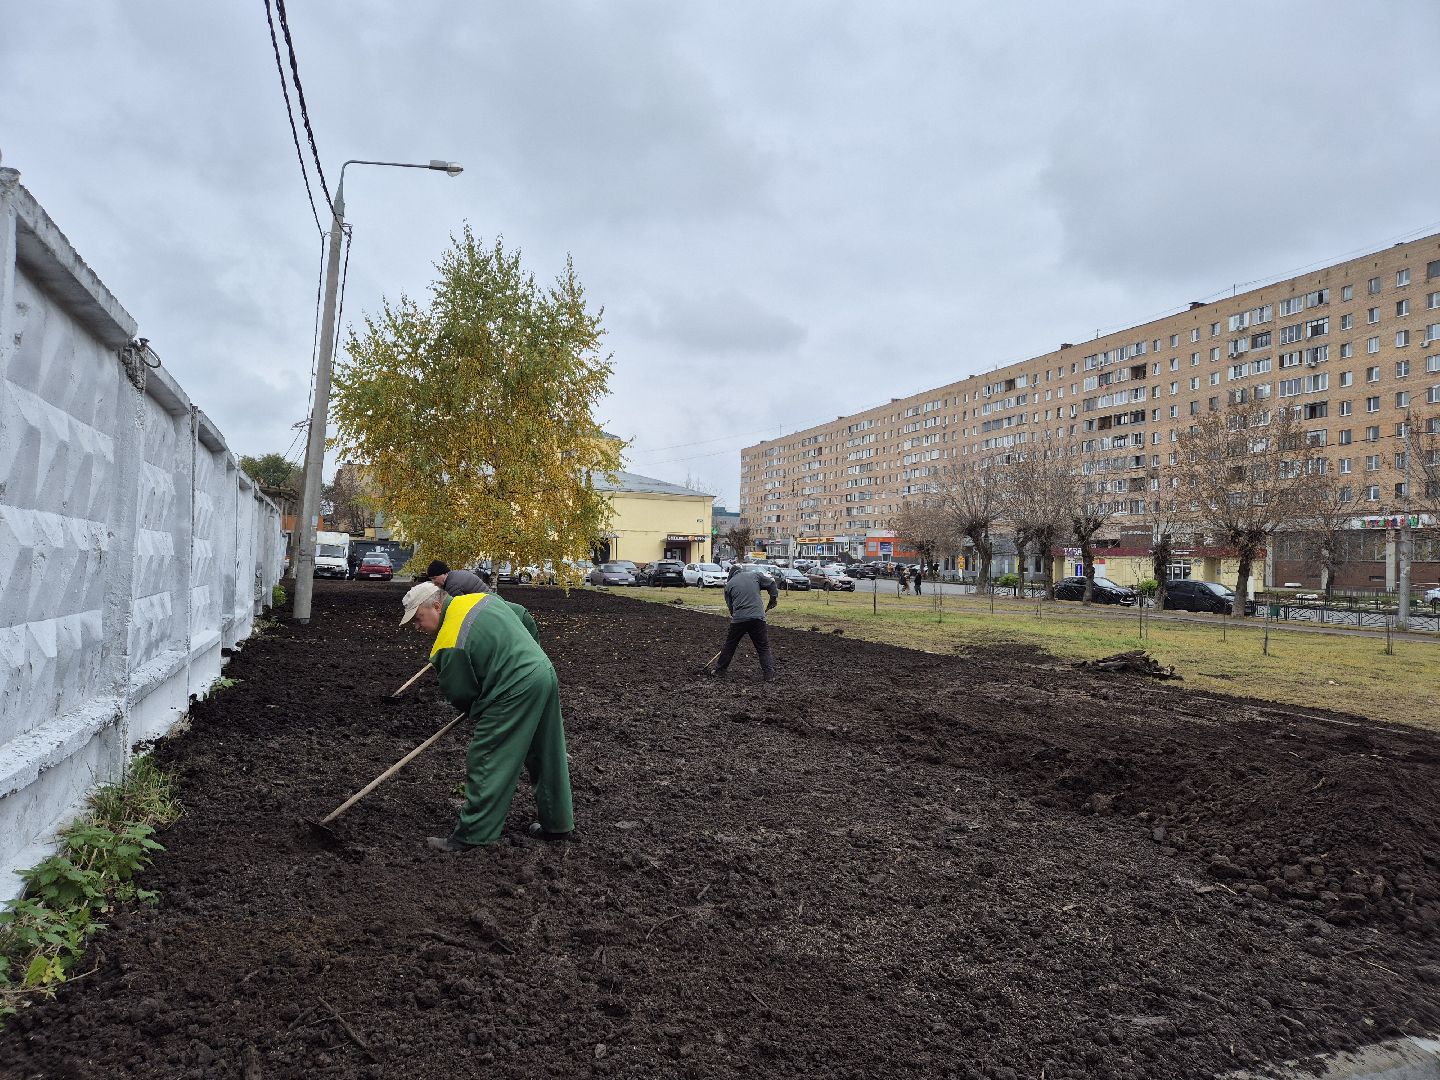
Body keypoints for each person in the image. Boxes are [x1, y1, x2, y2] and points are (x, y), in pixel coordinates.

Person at [399, 582, 574, 851]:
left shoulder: (448, 643)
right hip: (542, 673)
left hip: (513, 690)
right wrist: (529, 653)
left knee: (487, 757)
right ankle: (557, 824)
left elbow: (462, 694)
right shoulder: (479, 599)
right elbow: (522, 615)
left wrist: (483, 708)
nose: (416, 627)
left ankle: (473, 835)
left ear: (436, 605)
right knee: (545, 752)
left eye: (418, 619)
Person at [712, 565, 779, 682]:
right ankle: (769, 675)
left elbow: (731, 609)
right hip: (758, 618)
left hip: (739, 619)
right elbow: (772, 583)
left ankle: (720, 670)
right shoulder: (755, 575)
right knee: (763, 647)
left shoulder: (728, 585)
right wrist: (773, 599)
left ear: (731, 575)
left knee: (730, 645)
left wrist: (738, 621)